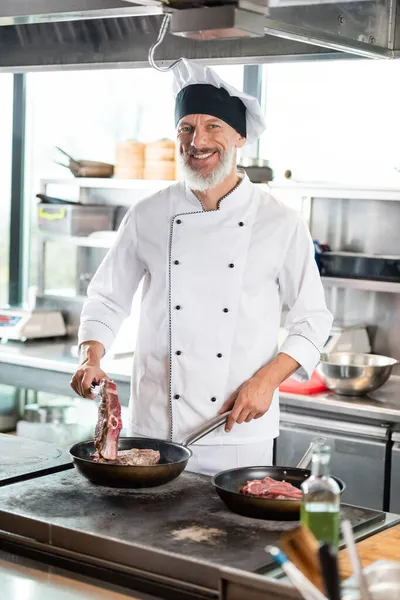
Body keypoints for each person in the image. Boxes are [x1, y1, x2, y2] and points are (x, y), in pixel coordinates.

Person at [70, 58, 333, 475]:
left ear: (239, 137)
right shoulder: (148, 214)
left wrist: (266, 382)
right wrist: (91, 355)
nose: (198, 141)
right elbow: (106, 299)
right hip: (155, 426)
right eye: (186, 129)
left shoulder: (279, 221)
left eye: (214, 127)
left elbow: (313, 321)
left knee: (229, 534)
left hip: (236, 427)